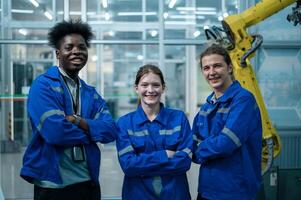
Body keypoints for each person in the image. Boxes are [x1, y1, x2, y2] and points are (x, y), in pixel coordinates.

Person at [20, 19, 117, 200]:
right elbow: (54, 132)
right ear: (58, 53)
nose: (76, 51)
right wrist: (91, 133)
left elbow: (111, 130)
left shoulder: (90, 93)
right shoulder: (43, 86)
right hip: (53, 185)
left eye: (81, 47)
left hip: (87, 182)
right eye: (69, 47)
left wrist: (78, 121)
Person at [192, 44, 262, 200]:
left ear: (230, 68)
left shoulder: (243, 100)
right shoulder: (207, 106)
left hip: (234, 191)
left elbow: (226, 143)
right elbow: (192, 141)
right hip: (206, 189)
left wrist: (198, 150)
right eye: (206, 68)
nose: (212, 72)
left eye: (217, 66)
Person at [116, 64, 192, 200]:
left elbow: (184, 162)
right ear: (136, 88)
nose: (150, 90)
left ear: (163, 88)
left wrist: (142, 164)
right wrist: (165, 155)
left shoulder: (179, 118)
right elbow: (128, 166)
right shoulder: (125, 123)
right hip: (138, 195)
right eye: (144, 85)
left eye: (156, 85)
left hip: (175, 195)